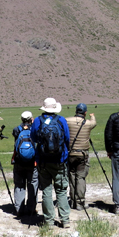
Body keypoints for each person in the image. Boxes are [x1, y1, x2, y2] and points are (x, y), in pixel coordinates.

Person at [30, 97, 71, 227]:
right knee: (61, 190)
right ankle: (65, 220)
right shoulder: (61, 120)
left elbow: (33, 137)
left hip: (43, 161)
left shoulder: (37, 120)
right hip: (59, 160)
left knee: (46, 191)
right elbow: (67, 138)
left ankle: (49, 220)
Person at [67, 103, 96, 211]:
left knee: (72, 177)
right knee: (80, 178)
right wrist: (92, 116)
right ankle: (80, 202)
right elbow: (94, 123)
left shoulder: (67, 121)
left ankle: (73, 201)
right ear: (85, 112)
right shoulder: (88, 123)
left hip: (70, 154)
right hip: (82, 154)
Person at [12, 111, 38, 216]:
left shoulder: (16, 130)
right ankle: (31, 208)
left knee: (19, 185)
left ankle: (19, 209)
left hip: (19, 161)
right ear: (31, 119)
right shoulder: (35, 129)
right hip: (33, 162)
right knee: (32, 185)